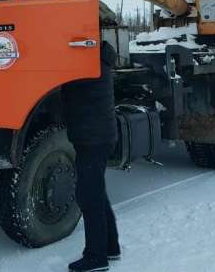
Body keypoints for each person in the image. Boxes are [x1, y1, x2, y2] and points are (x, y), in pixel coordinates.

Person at [61, 39, 120, 272]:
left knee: (88, 196)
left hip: (93, 139)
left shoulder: (89, 63)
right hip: (96, 137)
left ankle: (96, 257)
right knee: (97, 192)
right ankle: (111, 247)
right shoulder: (97, 58)